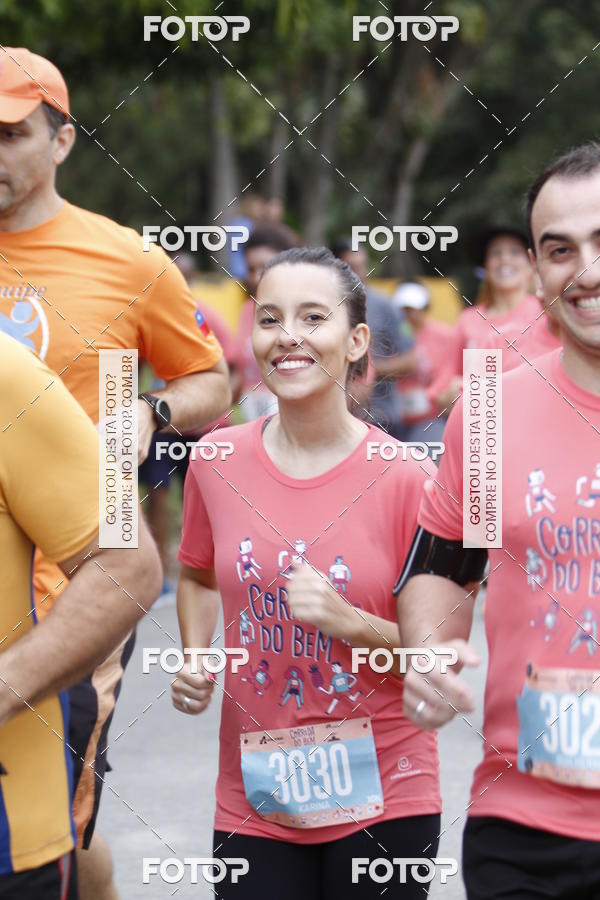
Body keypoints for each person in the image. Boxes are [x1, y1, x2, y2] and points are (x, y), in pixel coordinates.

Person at [0, 47, 230, 900]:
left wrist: (151, 411)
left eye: (10, 134)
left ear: (61, 141)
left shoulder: (127, 259)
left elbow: (211, 379)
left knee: (62, 803)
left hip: (82, 573)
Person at [171, 247, 445, 899]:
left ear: (355, 342)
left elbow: (442, 660)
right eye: (269, 319)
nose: (287, 336)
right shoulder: (215, 459)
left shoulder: (411, 480)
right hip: (254, 797)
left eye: (312, 317)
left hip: (386, 794)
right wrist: (193, 657)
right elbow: (199, 575)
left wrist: (345, 620)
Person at [396, 143, 600, 899]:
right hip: (521, 829)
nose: (585, 270)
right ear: (537, 269)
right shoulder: (487, 413)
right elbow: (443, 567)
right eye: (560, 250)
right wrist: (428, 653)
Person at [0, 332, 161, 898]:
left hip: (62, 638)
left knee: (82, 829)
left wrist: (148, 409)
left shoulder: (127, 260)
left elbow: (128, 561)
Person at [431, 225, 559, 411]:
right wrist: (454, 395)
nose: (505, 259)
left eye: (515, 252)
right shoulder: (468, 321)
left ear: (532, 263)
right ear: (485, 267)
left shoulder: (547, 314)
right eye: (496, 254)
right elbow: (441, 390)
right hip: (482, 433)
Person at [330, 238, 416, 437]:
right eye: (352, 267)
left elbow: (411, 361)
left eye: (362, 266)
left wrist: (367, 370)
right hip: (333, 420)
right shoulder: (322, 307)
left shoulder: (386, 306)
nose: (360, 274)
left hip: (381, 418)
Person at [232, 223, 300, 421]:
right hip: (254, 426)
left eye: (265, 267)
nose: (255, 277)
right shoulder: (248, 311)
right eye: (250, 269)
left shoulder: (309, 313)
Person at [392, 281, 452, 445]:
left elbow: (450, 374)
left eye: (413, 309)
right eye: (403, 310)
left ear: (425, 308)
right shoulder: (388, 334)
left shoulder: (445, 336)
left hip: (431, 417)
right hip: (394, 419)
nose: (408, 315)